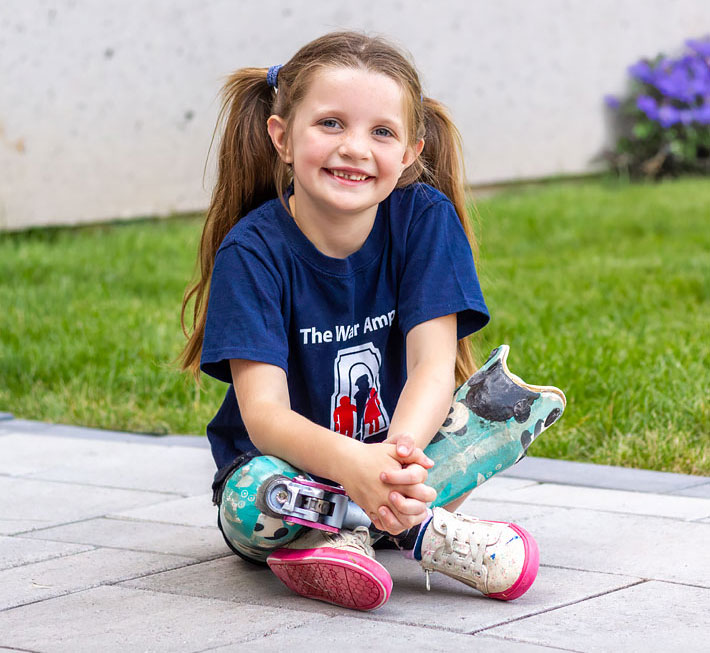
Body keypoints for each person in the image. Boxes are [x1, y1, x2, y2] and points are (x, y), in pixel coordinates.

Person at [180, 31, 556, 611]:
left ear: (409, 152)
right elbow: (264, 416)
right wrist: (355, 465)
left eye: (382, 132)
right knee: (256, 498)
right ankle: (417, 530)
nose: (355, 147)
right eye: (330, 123)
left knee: (496, 418)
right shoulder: (252, 253)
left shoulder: (424, 220)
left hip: (402, 450)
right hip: (294, 472)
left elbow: (433, 366)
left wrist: (394, 457)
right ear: (281, 137)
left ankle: (361, 531)